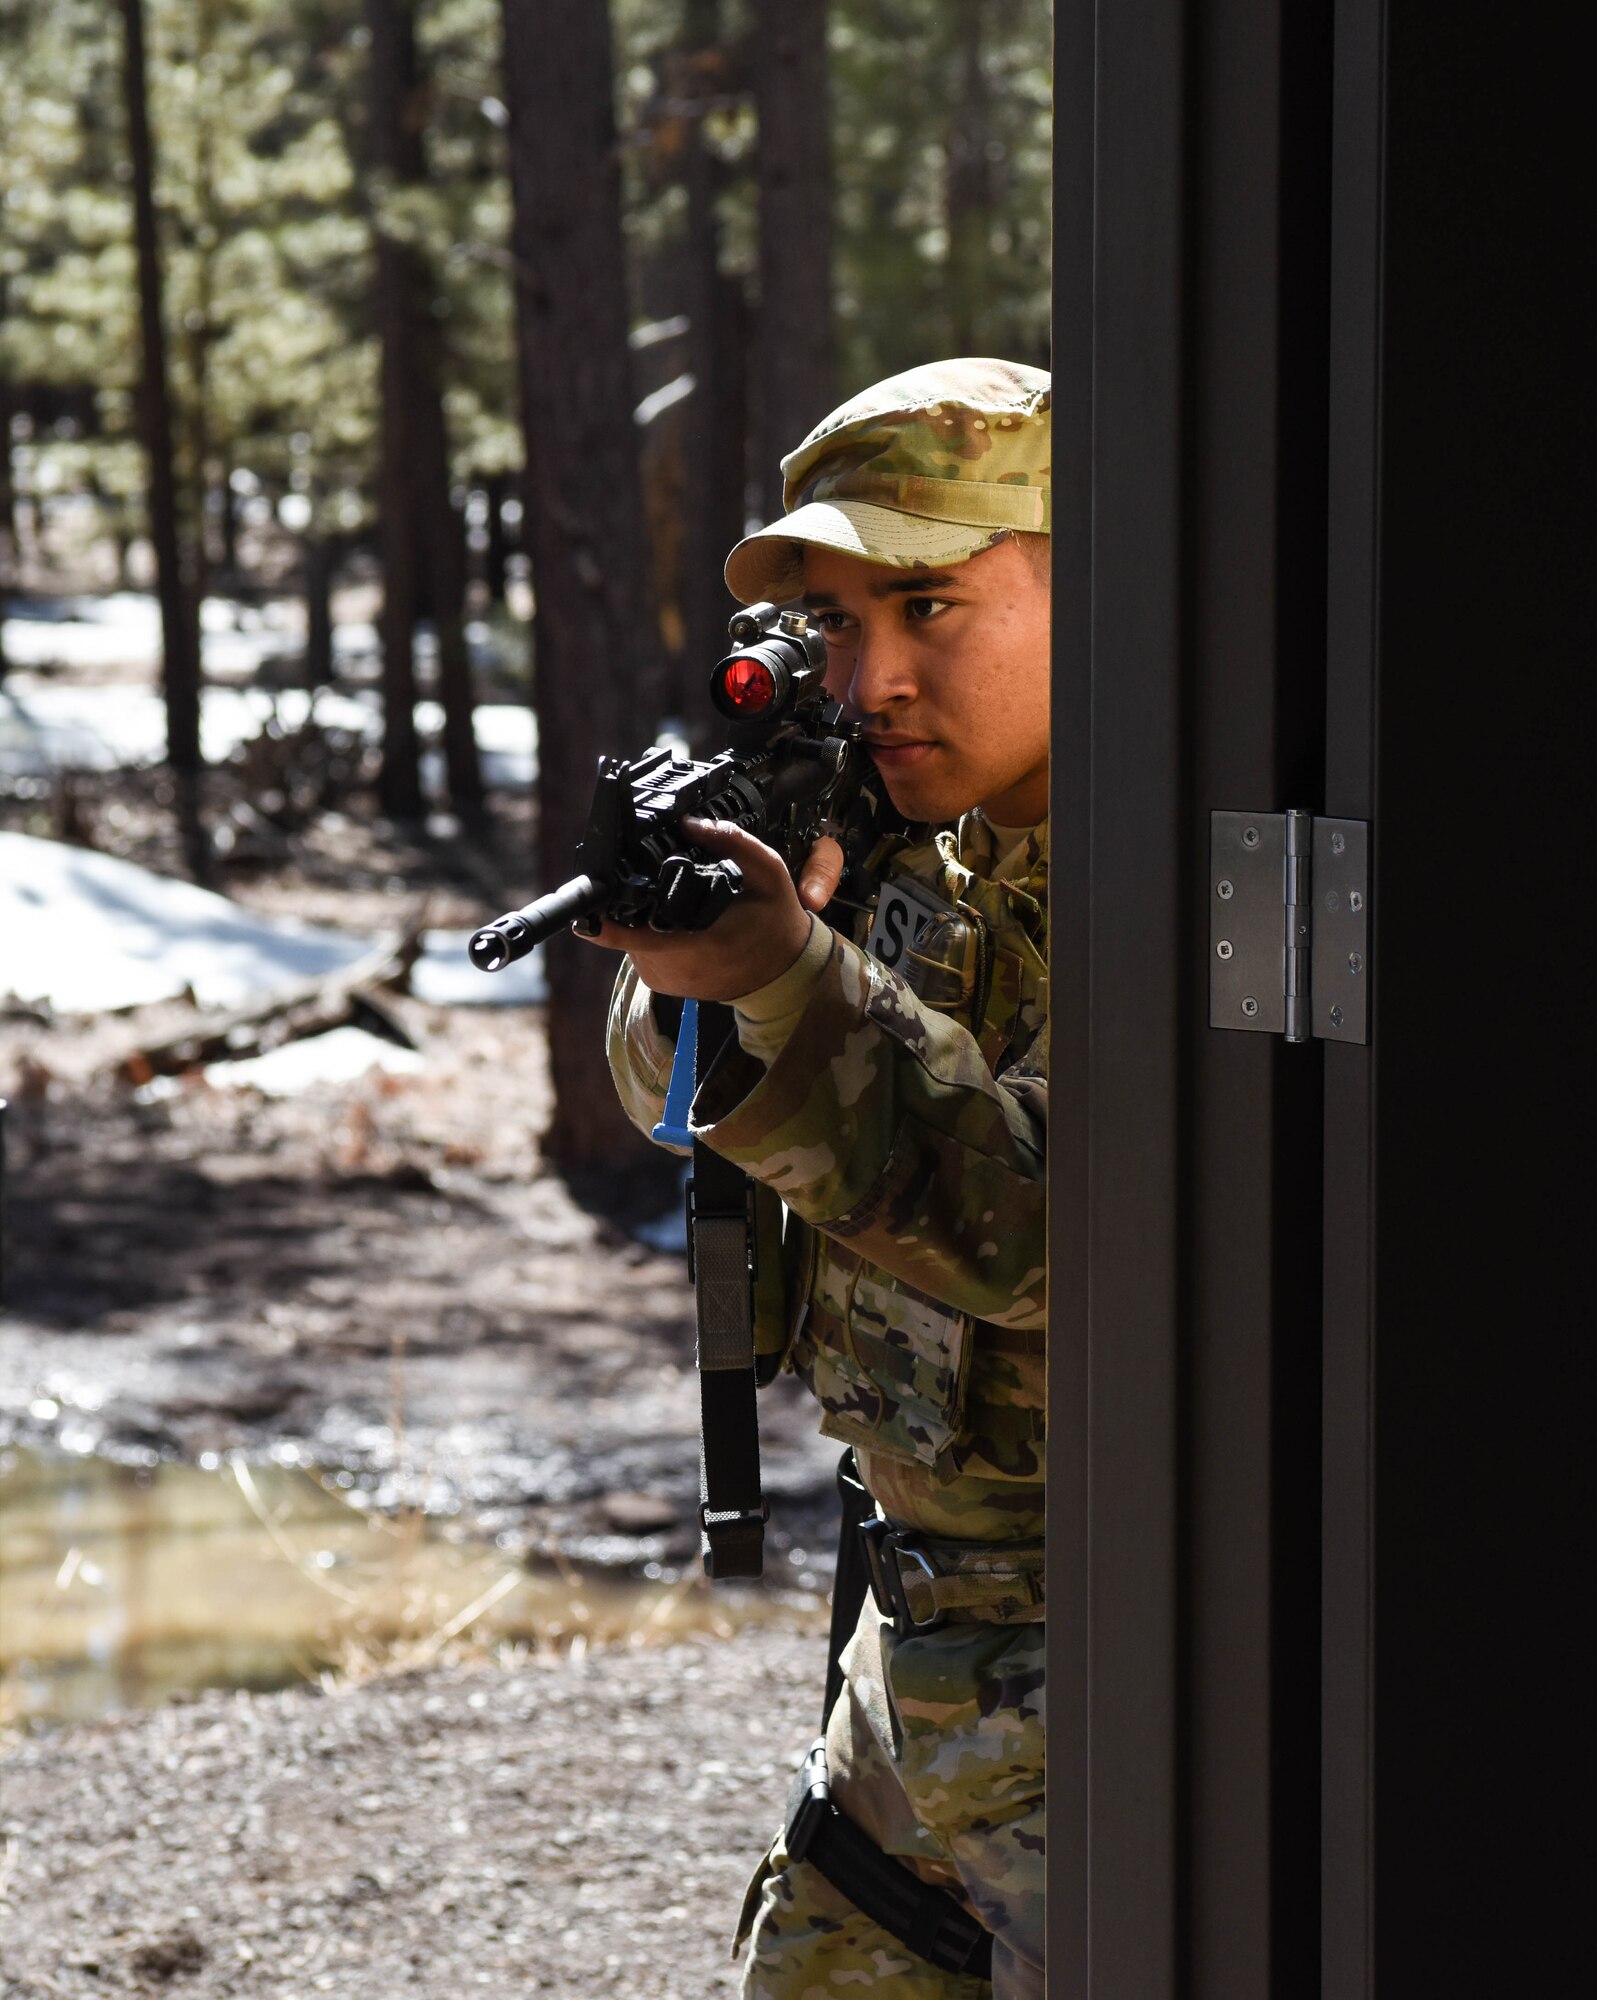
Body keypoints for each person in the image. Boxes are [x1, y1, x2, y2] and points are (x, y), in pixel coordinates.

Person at [593, 357, 1049, 1998]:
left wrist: (787, 970)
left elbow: (1041, 1229)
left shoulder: (1187, 875)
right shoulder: (901, 843)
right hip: (917, 1641)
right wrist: (707, 956)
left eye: (931, 605)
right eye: (846, 624)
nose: (877, 676)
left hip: (1121, 1650)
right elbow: (665, 1102)